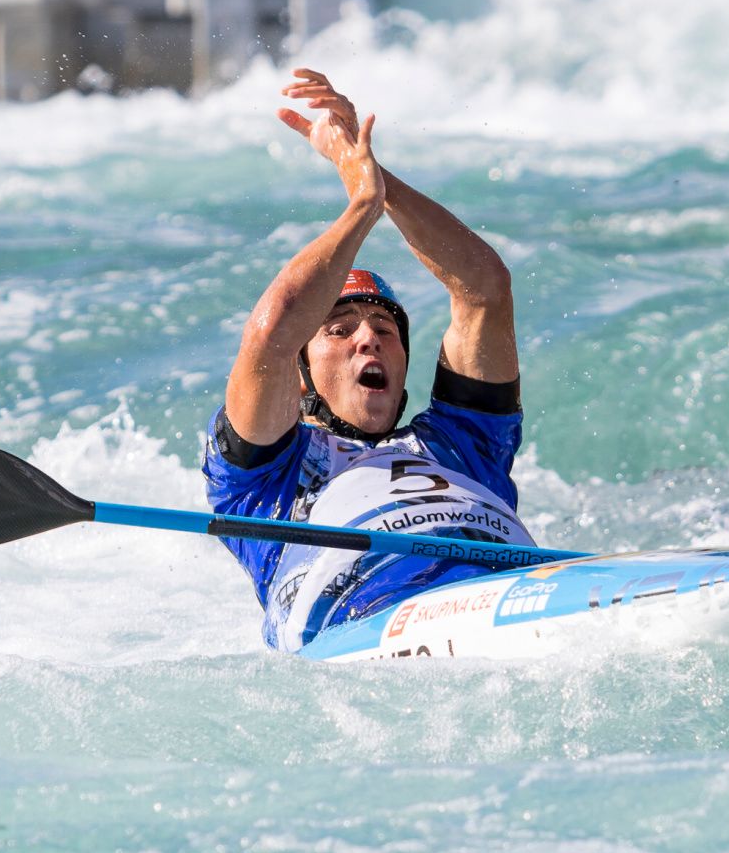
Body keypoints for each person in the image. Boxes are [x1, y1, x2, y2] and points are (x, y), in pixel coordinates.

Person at [202, 69, 535, 652]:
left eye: (385, 328)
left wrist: (376, 178)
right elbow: (272, 333)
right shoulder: (264, 481)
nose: (369, 339)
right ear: (300, 374)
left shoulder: (464, 445)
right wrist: (361, 204)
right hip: (358, 627)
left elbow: (483, 289)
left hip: (507, 597)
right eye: (339, 329)